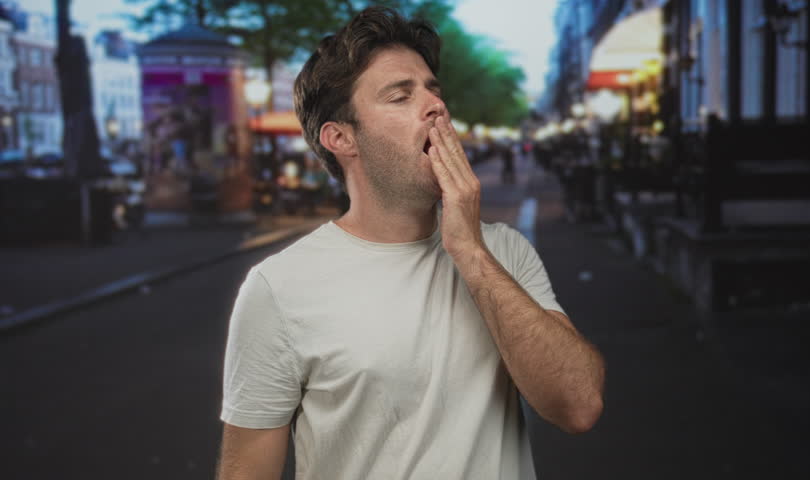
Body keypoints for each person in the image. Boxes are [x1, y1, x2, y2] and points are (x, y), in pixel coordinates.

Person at [217, 7, 605, 479]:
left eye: (432, 90)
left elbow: (578, 406)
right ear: (341, 138)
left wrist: (470, 252)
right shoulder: (278, 288)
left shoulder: (503, 250)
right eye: (401, 96)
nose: (435, 105)